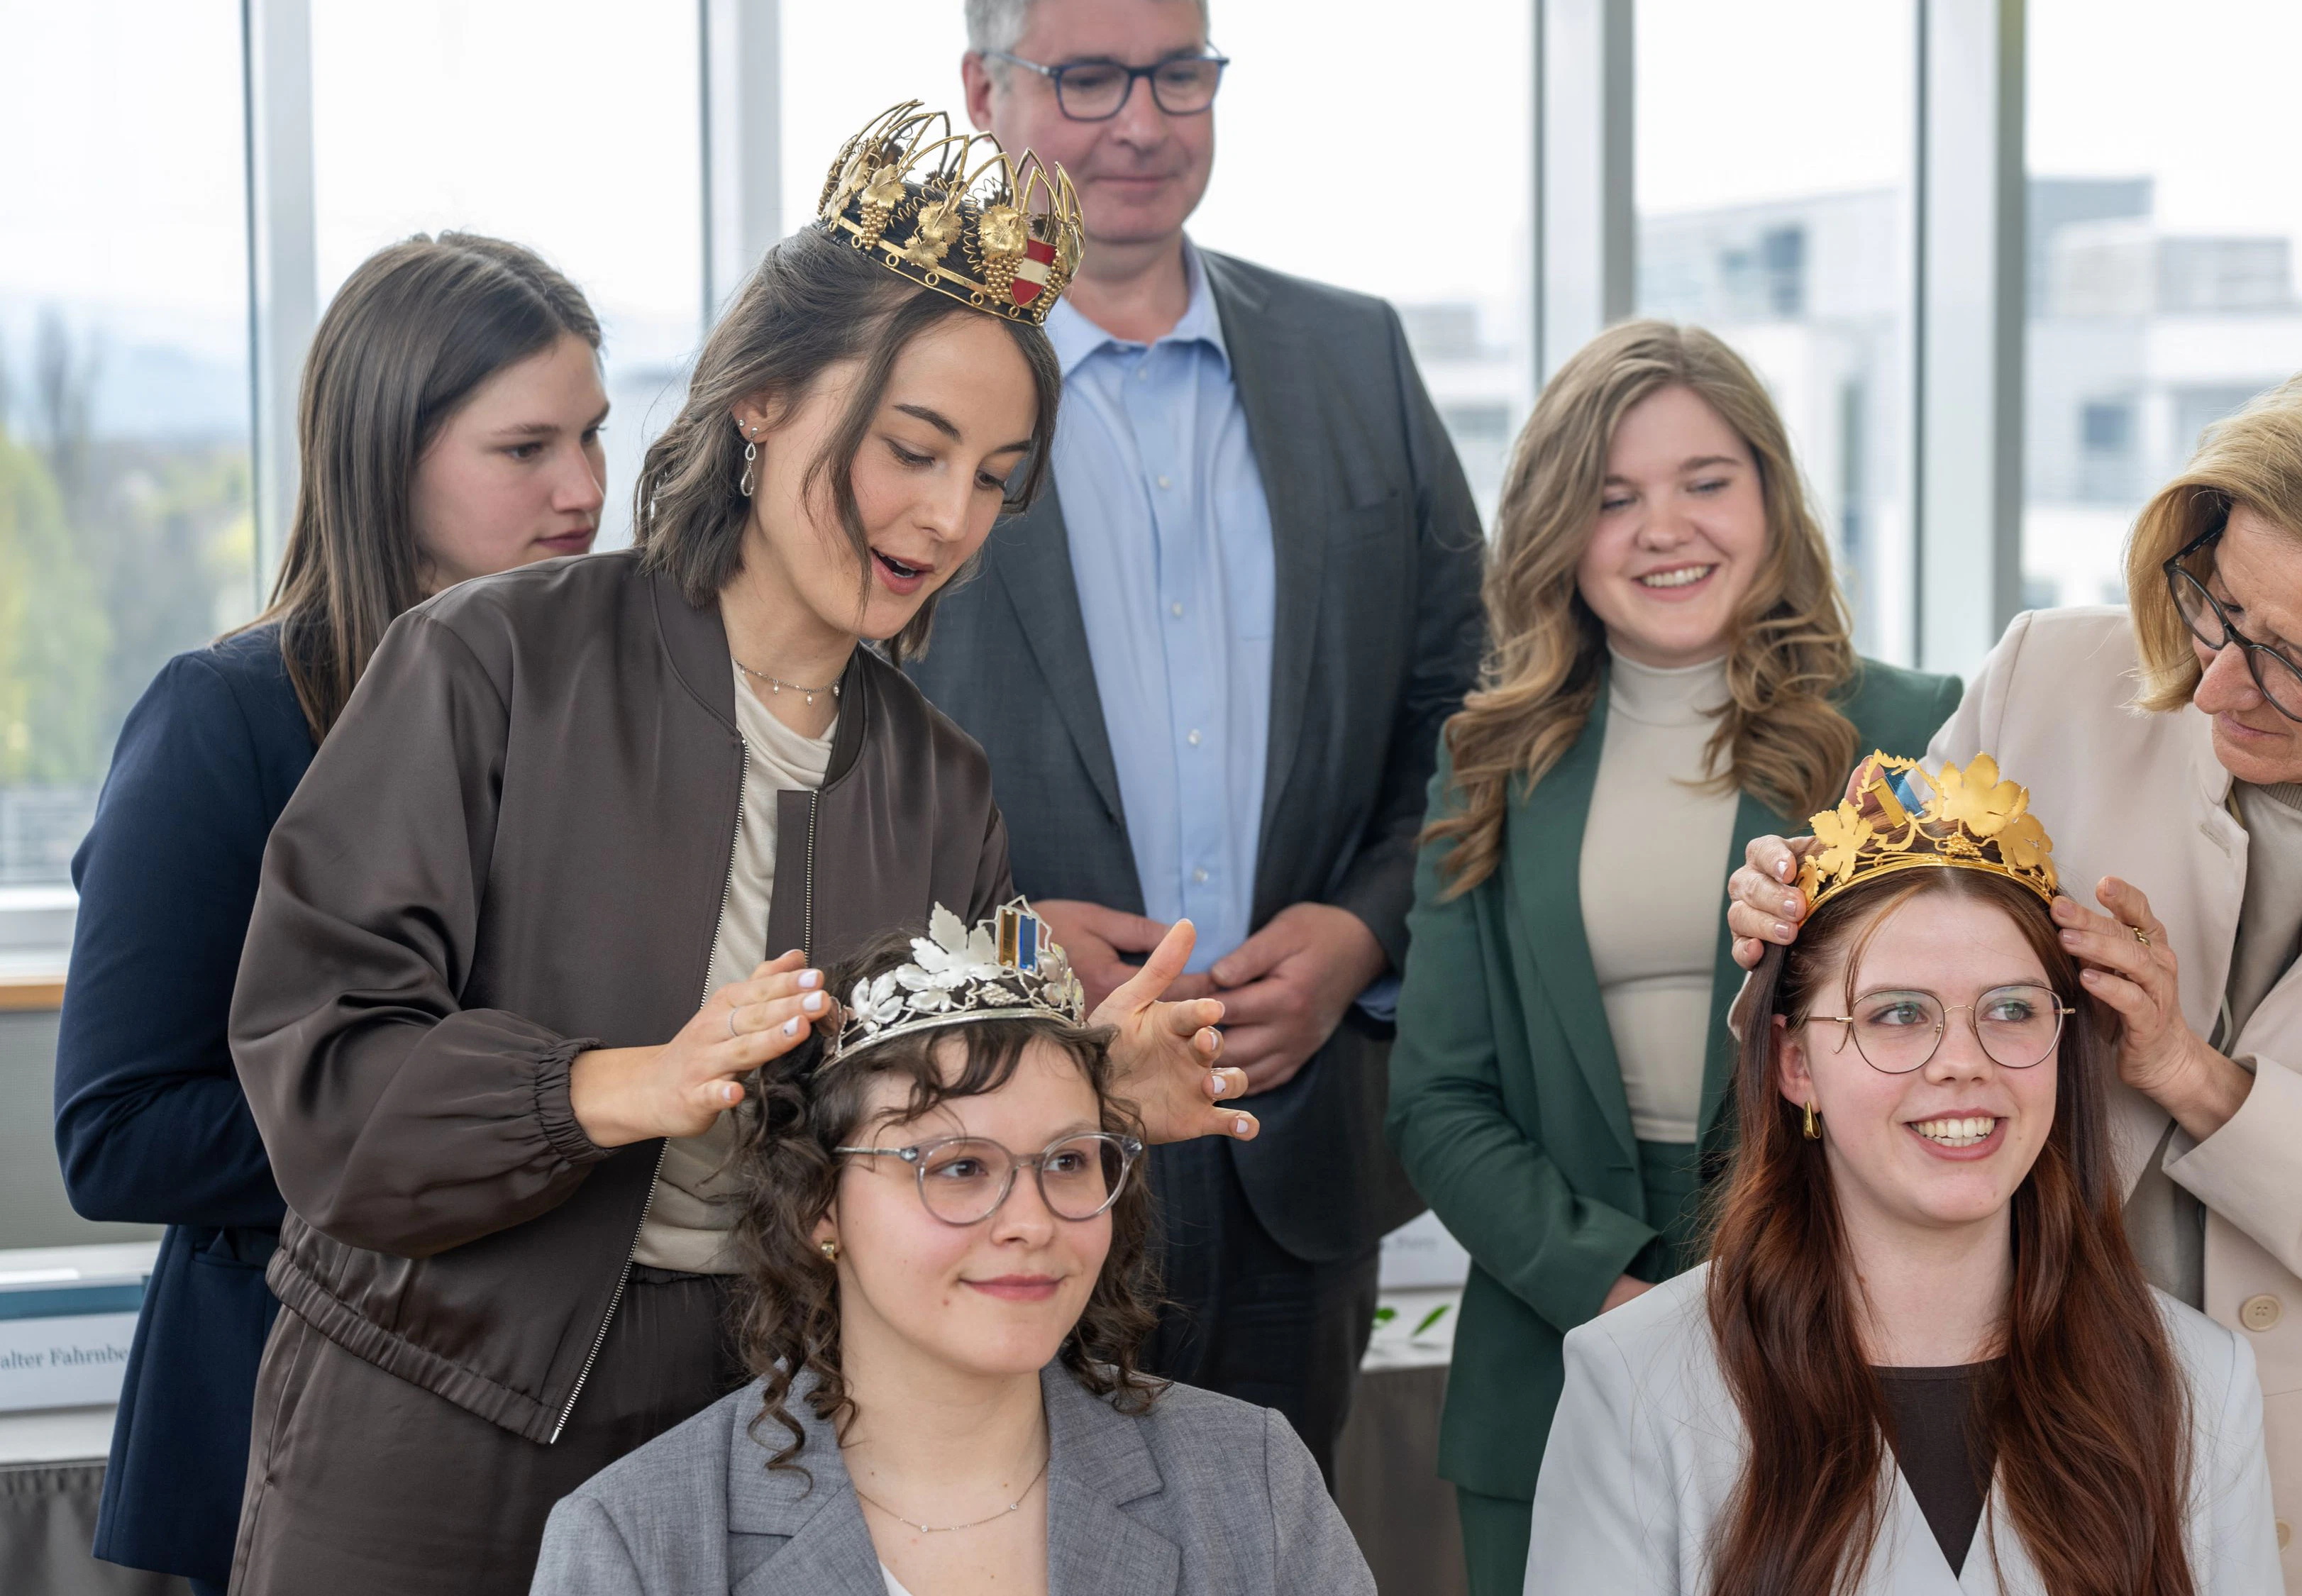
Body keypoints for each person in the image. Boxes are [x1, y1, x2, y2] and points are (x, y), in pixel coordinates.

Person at [223, 104, 1251, 1595]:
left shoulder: (937, 782)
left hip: (760, 1435)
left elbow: (913, 1132)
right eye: (912, 448)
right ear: (760, 399)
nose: (946, 516)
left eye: (992, 476)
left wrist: (1097, 1095)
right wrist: (622, 1086)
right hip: (437, 1420)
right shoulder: (486, 663)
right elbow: (322, 1073)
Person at [1725, 360, 2302, 1592]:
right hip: (2010, 1435)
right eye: (2218, 605)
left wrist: (2194, 1076)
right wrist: (1792, 922)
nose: (2215, 681)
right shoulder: (2049, 677)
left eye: (2294, 661)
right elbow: (1867, 1000)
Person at [908, 0, 1483, 1470]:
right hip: (1000, 1146)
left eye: (1178, 75)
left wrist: (1364, 930)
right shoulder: (904, 382)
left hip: (1294, 1144)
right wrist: (996, 944)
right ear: (983, 89)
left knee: (1275, 1547)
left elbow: (1467, 706)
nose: (1141, 123)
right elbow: (809, 738)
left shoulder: (1355, 358)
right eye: (1089, 78)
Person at [51, 232, 609, 1595]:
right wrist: (476, 1131)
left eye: (595, 435)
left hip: (556, 1422)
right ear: (388, 458)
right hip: (282, 1424)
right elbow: (116, 1136)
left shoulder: (606, 712)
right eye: (526, 449)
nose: (586, 489)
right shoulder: (224, 719)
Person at [1385, 319, 1959, 1594]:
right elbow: (1437, 1097)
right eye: (1613, 498)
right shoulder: (1488, 760)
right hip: (1553, 1346)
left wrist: (1764, 1307)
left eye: (1706, 482)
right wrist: (1627, 1303)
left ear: (1770, 496)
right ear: (1557, 528)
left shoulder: (1914, 729)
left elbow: (1954, 1051)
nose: (1665, 529)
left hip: (1840, 1331)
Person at [1528, 755, 2283, 1595]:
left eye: (2010, 1009)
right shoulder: (1635, 1378)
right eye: (1897, 1014)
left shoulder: (2197, 1380)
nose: (1963, 1062)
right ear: (1795, 1065)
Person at [532, 905, 1375, 1595]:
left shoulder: (1250, 1483)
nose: (1031, 1223)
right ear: (820, 1205)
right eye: (959, 1167)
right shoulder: (639, 1546)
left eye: (1067, 1161)